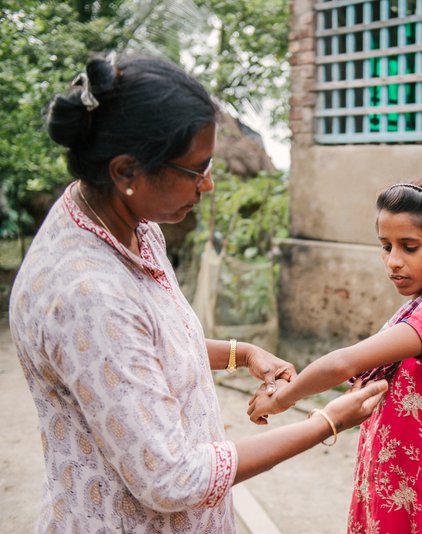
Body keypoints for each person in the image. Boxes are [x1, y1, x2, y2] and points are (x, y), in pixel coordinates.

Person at [8, 54, 387, 533]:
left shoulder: (130, 226)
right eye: (196, 169)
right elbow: (173, 477)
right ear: (126, 172)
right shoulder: (87, 293)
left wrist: (241, 353)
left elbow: (141, 349)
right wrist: (325, 423)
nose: (208, 183)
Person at [247, 177, 422, 533]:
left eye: (409, 247)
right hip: (395, 485)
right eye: (385, 246)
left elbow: (345, 363)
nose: (392, 261)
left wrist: (281, 398)